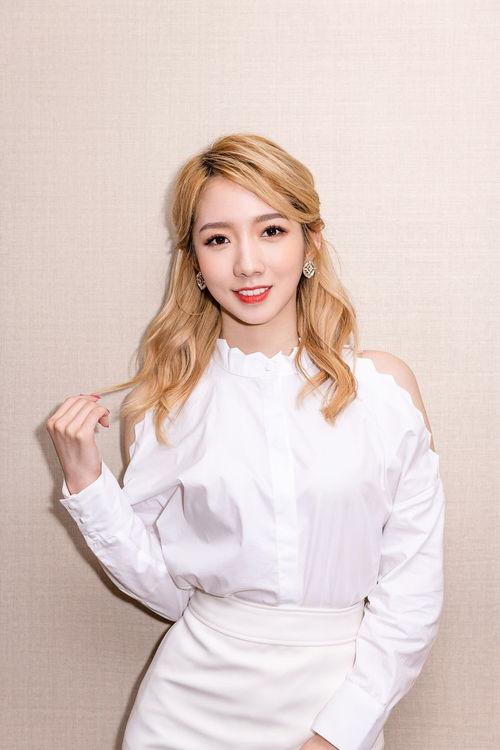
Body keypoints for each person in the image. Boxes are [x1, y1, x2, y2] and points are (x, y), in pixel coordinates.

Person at [46, 133, 446, 750]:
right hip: (186, 710)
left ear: (311, 243)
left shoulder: (384, 391)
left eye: (271, 231)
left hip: (336, 701)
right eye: (218, 239)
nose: (247, 264)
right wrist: (87, 482)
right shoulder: (163, 405)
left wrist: (341, 732)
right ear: (194, 262)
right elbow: (166, 590)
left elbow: (412, 589)